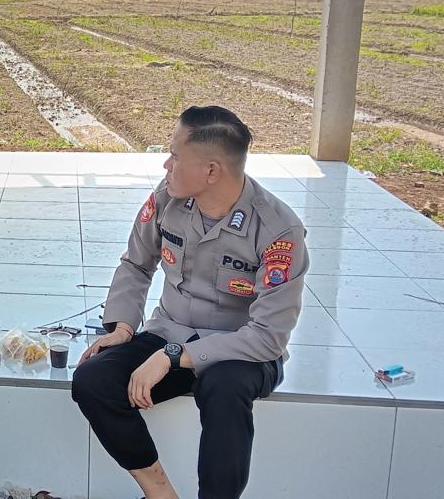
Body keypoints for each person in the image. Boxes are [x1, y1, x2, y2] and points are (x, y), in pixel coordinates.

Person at [71, 106, 308, 499]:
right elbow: (136, 264)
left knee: (224, 387)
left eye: (175, 156)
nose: (166, 165)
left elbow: (268, 337)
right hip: (170, 332)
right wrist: (123, 327)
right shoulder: (167, 200)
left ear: (211, 171)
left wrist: (173, 356)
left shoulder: (277, 229)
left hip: (240, 352)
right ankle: (160, 492)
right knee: (93, 379)